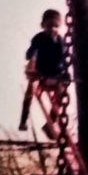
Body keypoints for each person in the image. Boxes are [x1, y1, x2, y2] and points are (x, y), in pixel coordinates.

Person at [23, 9, 66, 138]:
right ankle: (23, 119)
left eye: (56, 26)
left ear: (60, 26)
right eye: (49, 26)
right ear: (43, 25)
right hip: (40, 72)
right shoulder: (39, 38)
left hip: (54, 74)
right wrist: (31, 59)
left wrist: (64, 72)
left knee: (61, 92)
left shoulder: (60, 41)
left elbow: (64, 59)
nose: (52, 29)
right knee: (30, 90)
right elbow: (29, 54)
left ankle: (51, 122)